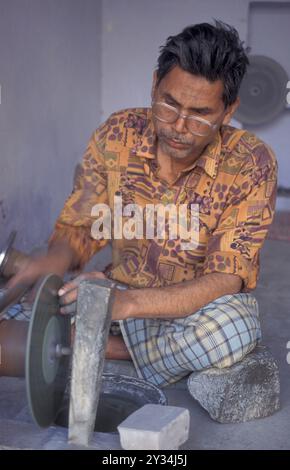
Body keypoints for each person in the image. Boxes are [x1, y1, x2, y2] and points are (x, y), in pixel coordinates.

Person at [7, 21, 277, 387]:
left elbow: (225, 278)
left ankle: (101, 345)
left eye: (200, 114)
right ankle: (126, 344)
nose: (179, 126)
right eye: (169, 103)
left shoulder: (250, 162)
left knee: (235, 329)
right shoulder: (117, 133)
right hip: (114, 297)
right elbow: (81, 227)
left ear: (228, 111)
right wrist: (53, 260)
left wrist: (129, 303)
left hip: (191, 312)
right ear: (154, 85)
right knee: (23, 306)